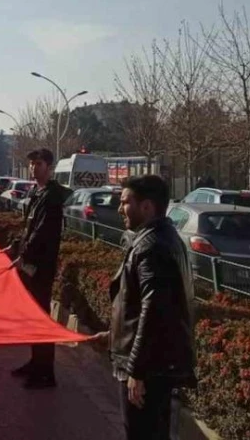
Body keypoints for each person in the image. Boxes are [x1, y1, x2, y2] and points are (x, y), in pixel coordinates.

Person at [94, 174, 195, 440]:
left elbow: (155, 313)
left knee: (143, 433)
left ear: (147, 206)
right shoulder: (160, 237)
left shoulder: (152, 246)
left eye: (125, 202)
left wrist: (136, 371)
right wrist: (114, 336)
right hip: (153, 363)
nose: (119, 209)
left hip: (149, 368)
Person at [8, 148, 68, 389]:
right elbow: (28, 228)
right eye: (32, 164)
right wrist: (14, 246)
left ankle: (46, 372)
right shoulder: (37, 192)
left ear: (49, 167)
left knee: (41, 316)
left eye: (39, 164)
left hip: (41, 267)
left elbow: (43, 233)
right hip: (30, 264)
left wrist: (24, 256)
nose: (34, 168)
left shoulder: (53, 196)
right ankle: (35, 361)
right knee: (33, 315)